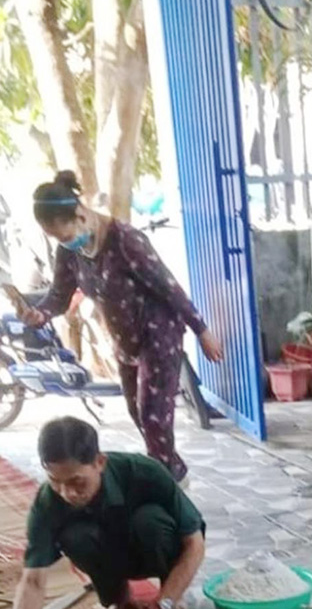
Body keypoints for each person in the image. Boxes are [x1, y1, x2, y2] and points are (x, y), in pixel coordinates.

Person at [19, 171, 223, 482]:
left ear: (80, 214)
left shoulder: (126, 241)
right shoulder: (70, 252)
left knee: (153, 418)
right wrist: (39, 314)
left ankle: (165, 488)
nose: (64, 242)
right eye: (56, 238)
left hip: (159, 333)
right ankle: (174, 474)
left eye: (63, 234)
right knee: (137, 413)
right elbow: (59, 296)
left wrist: (202, 330)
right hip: (124, 338)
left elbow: (169, 287)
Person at [14, 417, 206, 609]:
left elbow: (195, 545)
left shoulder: (144, 471)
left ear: (100, 462)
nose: (67, 493)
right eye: (56, 482)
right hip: (110, 558)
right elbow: (33, 580)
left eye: (77, 482)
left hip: (152, 551)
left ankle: (171, 595)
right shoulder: (47, 500)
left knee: (150, 521)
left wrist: (162, 607)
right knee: (75, 536)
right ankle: (118, 599)